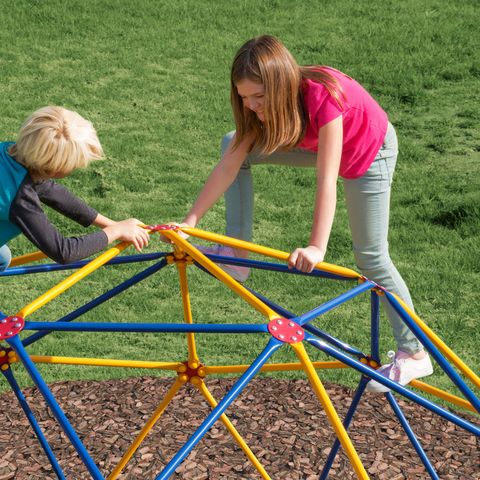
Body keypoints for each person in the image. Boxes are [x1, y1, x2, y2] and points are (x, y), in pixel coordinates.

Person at [179, 35, 433, 392]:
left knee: (371, 257)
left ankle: (415, 354)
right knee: (231, 143)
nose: (251, 106)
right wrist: (191, 221)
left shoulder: (323, 95)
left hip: (368, 152)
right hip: (320, 146)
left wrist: (317, 247)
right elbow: (229, 164)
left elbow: (327, 179)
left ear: (281, 86)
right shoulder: (260, 108)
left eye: (259, 98)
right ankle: (238, 255)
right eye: (244, 98)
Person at [0, 106, 150, 273]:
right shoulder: (18, 198)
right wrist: (114, 231)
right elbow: (64, 251)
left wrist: (113, 224)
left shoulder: (10, 152)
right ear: (55, 169)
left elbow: (51, 191)